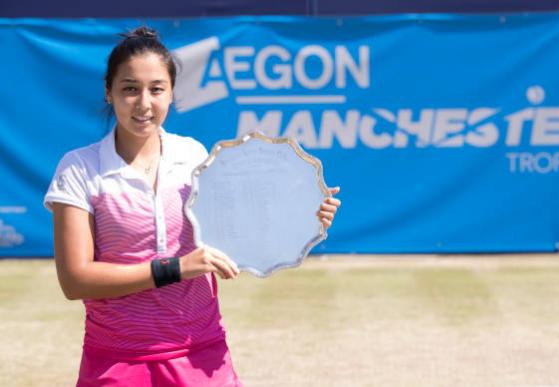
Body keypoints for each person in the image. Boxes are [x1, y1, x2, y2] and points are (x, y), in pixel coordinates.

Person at [43, 26, 341, 386]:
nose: (144, 103)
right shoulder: (78, 169)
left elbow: (242, 232)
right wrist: (175, 268)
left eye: (157, 89)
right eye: (130, 89)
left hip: (202, 357)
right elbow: (75, 281)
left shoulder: (193, 156)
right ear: (109, 92)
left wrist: (303, 214)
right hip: (117, 361)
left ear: (171, 93)